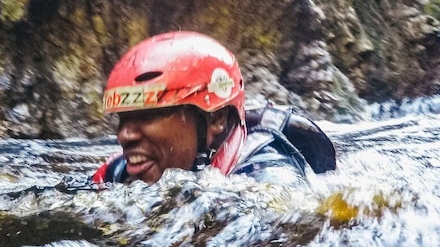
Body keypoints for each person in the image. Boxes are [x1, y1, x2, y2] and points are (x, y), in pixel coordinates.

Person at [92, 31, 336, 185]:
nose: (125, 135)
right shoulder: (117, 173)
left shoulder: (267, 175)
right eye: (123, 118)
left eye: (147, 115)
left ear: (216, 119)